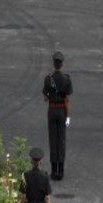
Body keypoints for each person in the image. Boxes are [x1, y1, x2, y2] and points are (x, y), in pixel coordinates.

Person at [42, 52, 73, 180]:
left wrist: (50, 96)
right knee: (61, 140)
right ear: (62, 64)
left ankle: (54, 171)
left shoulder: (48, 79)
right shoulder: (67, 79)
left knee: (52, 140)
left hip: (52, 110)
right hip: (61, 112)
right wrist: (68, 118)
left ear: (54, 64)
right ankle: (61, 171)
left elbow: (45, 98)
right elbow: (67, 100)